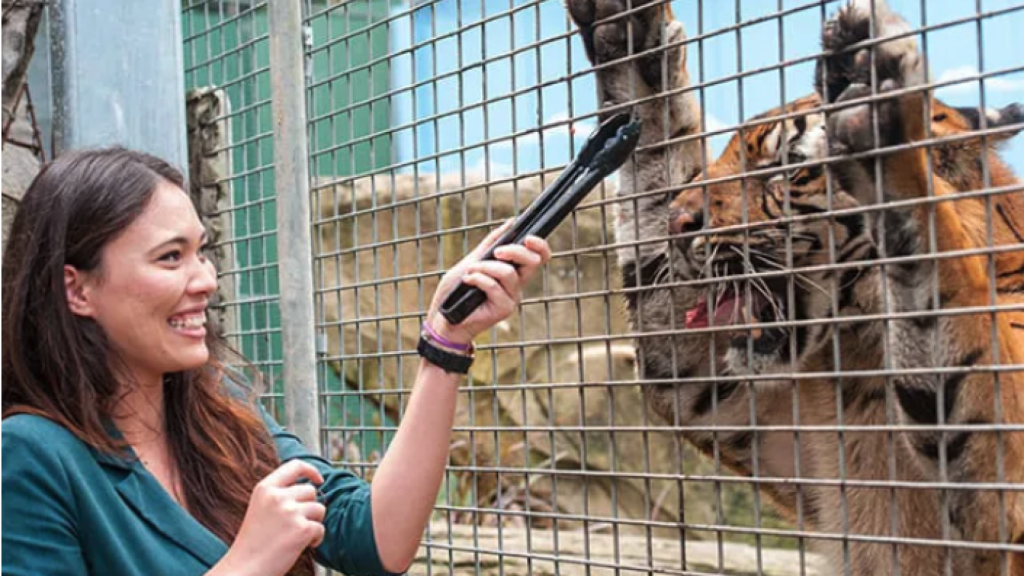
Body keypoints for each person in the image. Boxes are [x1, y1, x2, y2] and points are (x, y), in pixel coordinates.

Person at [1, 147, 552, 576]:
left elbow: (379, 540)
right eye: (171, 257)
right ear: (77, 290)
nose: (206, 280)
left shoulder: (221, 416)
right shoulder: (31, 456)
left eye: (202, 251)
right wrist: (248, 562)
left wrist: (445, 342)